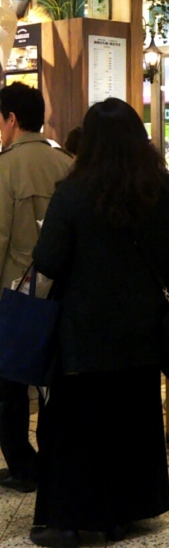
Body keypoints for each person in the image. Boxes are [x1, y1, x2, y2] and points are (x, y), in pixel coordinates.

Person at [31, 97, 169, 548]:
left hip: (84, 328)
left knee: (77, 424)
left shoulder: (72, 192)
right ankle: (123, 513)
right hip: (142, 326)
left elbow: (48, 259)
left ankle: (70, 522)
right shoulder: (159, 187)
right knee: (133, 417)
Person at [0, 83, 72, 491]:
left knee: (9, 383)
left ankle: (23, 466)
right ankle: (53, 460)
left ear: (12, 119)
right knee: (53, 383)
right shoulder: (66, 162)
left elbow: (0, 238)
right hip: (61, 293)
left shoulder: (5, 166)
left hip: (15, 293)